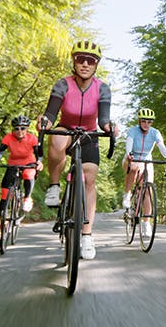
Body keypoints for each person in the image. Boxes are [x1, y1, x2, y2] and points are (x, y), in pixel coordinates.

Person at [38, 40, 118, 260]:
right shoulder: (63, 84)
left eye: (90, 60)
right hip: (66, 128)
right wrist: (45, 121)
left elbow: (103, 118)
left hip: (89, 134)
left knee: (90, 178)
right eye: (80, 59)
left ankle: (87, 235)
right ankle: (54, 186)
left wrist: (109, 127)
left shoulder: (102, 88)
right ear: (73, 61)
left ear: (96, 65)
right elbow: (52, 113)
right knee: (55, 139)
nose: (85, 64)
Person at [0, 115, 43, 240]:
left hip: (28, 163)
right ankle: (2, 226)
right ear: (13, 129)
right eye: (17, 129)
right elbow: (0, 151)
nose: (20, 131)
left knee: (28, 174)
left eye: (23, 129)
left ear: (27, 129)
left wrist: (39, 162)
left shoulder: (32, 139)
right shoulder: (8, 137)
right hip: (13, 164)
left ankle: (27, 198)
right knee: (4, 194)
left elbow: (39, 154)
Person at [122, 108, 166, 237]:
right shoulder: (133, 131)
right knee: (133, 168)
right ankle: (127, 195)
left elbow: (161, 145)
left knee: (148, 190)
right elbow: (129, 143)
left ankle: (146, 224)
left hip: (146, 158)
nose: (146, 124)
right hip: (132, 157)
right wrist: (129, 154)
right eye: (143, 121)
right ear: (139, 121)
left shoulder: (155, 133)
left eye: (149, 122)